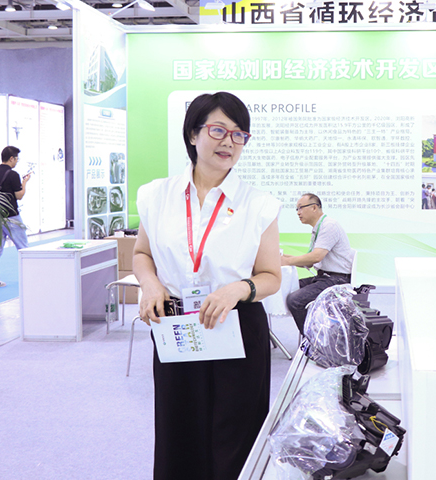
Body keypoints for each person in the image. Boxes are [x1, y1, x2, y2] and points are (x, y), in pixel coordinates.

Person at [132, 92, 282, 480]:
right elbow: (142, 254)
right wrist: (150, 285)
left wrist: (237, 289)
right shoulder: (156, 196)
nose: (229, 141)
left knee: (237, 436)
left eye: (238, 134)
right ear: (193, 134)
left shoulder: (258, 204)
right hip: (175, 323)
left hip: (236, 325)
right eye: (218, 130)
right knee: (178, 431)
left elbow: (271, 276)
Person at [282, 194, 353, 333]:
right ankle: (314, 335)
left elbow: (316, 257)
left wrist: (287, 261)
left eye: (301, 208)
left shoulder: (329, 225)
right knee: (289, 287)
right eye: (297, 209)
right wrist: (283, 258)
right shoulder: (319, 227)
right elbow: (309, 260)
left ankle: (314, 341)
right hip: (324, 277)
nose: (298, 213)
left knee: (295, 300)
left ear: (314, 207)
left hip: (336, 280)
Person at [0, 145, 30, 288]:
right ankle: (29, 276)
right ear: (11, 158)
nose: (16, 161)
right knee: (23, 248)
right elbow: (19, 196)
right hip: (11, 216)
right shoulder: (13, 175)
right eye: (16, 159)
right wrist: (24, 183)